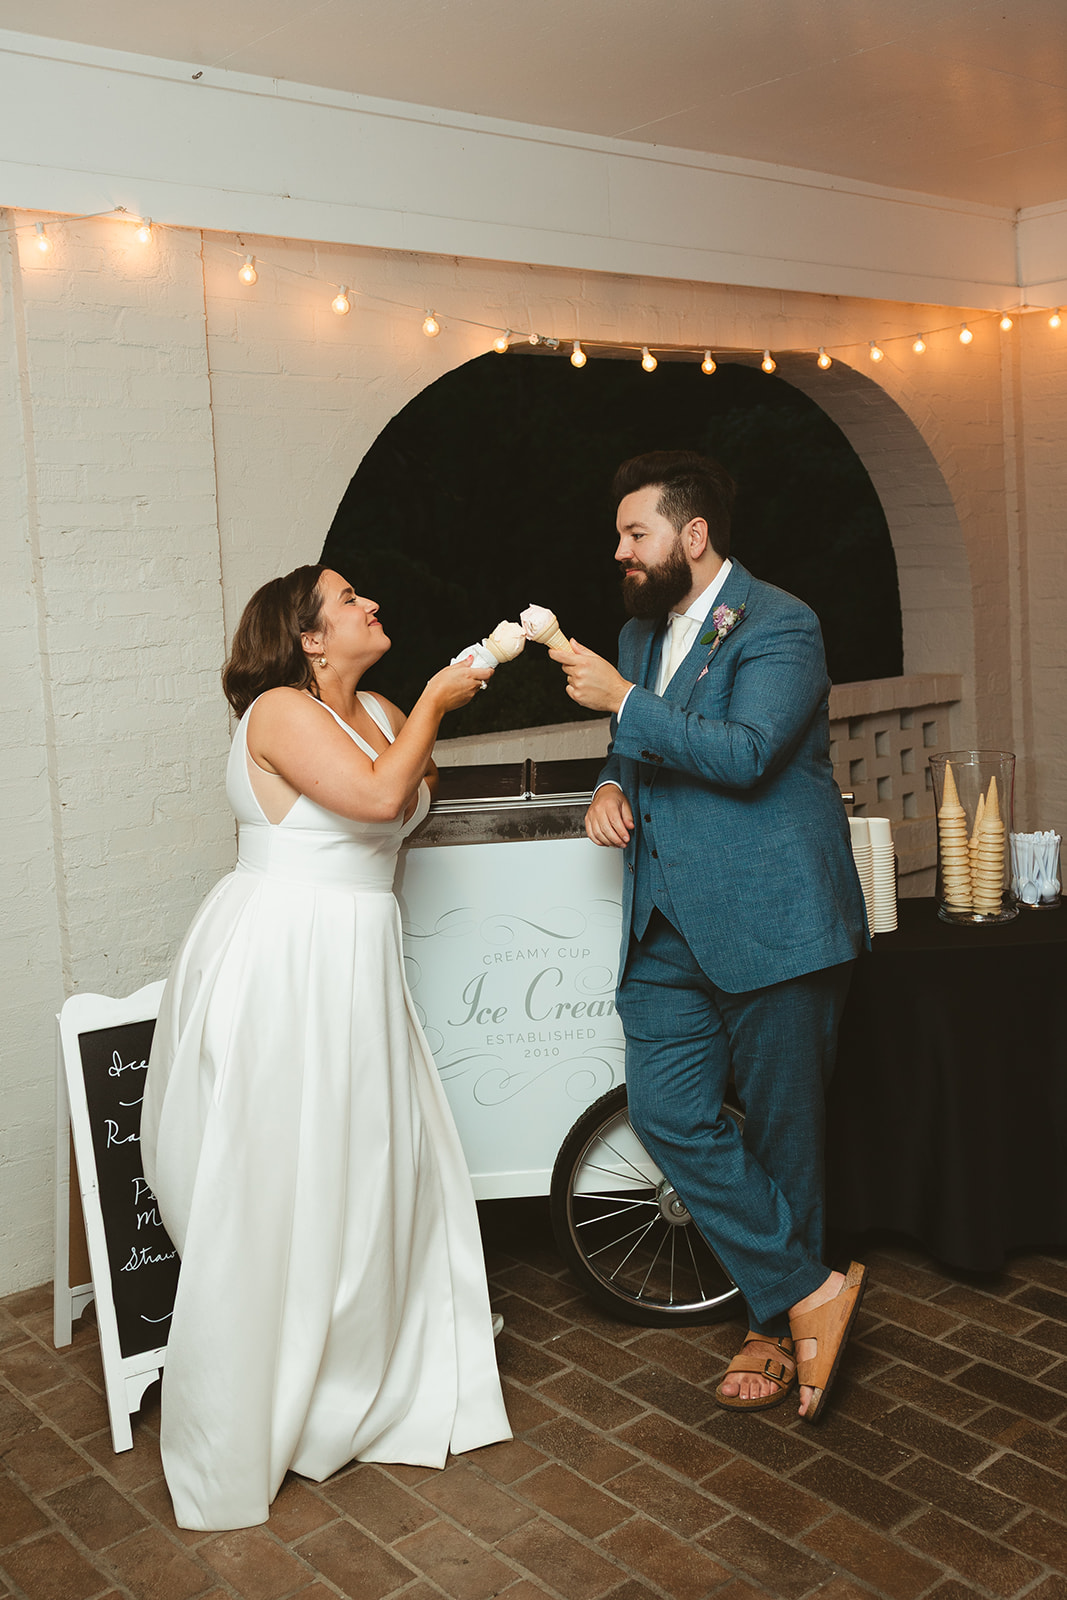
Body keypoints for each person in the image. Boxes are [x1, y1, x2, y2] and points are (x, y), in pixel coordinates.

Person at [141, 564, 511, 1531]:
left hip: (358, 954)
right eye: (349, 601)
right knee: (281, 1175)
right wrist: (437, 698)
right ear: (307, 637)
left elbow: (410, 782)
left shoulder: (380, 704)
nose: (373, 605)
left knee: (370, 1165)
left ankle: (360, 1374)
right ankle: (266, 1400)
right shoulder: (276, 712)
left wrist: (415, 714)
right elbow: (383, 802)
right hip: (286, 955)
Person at [550, 451, 869, 1422]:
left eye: (633, 533)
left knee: (782, 1140)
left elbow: (743, 755)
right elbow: (631, 746)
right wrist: (611, 778)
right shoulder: (638, 635)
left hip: (774, 920)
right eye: (618, 536)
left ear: (690, 535)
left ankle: (772, 1332)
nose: (620, 551)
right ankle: (810, 1289)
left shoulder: (781, 622)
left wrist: (622, 703)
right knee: (667, 1112)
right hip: (663, 928)